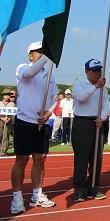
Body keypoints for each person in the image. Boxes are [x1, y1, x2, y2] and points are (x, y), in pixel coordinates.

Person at [10, 41, 57, 214]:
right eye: (39, 52)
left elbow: (53, 97)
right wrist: (47, 56)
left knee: (40, 159)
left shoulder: (50, 74)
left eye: (44, 51)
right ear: (30, 55)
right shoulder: (23, 67)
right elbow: (30, 73)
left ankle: (36, 195)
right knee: (22, 160)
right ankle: (16, 197)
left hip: (42, 123)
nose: (42, 54)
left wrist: (48, 113)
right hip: (25, 121)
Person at [71, 59, 109, 202]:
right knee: (81, 159)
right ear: (87, 71)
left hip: (97, 123)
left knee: (96, 159)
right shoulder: (79, 84)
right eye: (95, 70)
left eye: (99, 70)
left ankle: (94, 187)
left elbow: (106, 105)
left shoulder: (103, 88)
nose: (98, 73)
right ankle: (80, 190)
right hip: (82, 123)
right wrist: (96, 87)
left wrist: (103, 117)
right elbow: (81, 98)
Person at [1, 88, 15, 157]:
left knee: (6, 136)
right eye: (6, 95)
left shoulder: (12, 103)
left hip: (8, 122)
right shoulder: (0, 103)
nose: (7, 97)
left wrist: (8, 118)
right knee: (0, 135)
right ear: (3, 96)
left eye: (9, 95)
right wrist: (2, 118)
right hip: (1, 121)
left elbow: (12, 112)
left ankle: (4, 151)